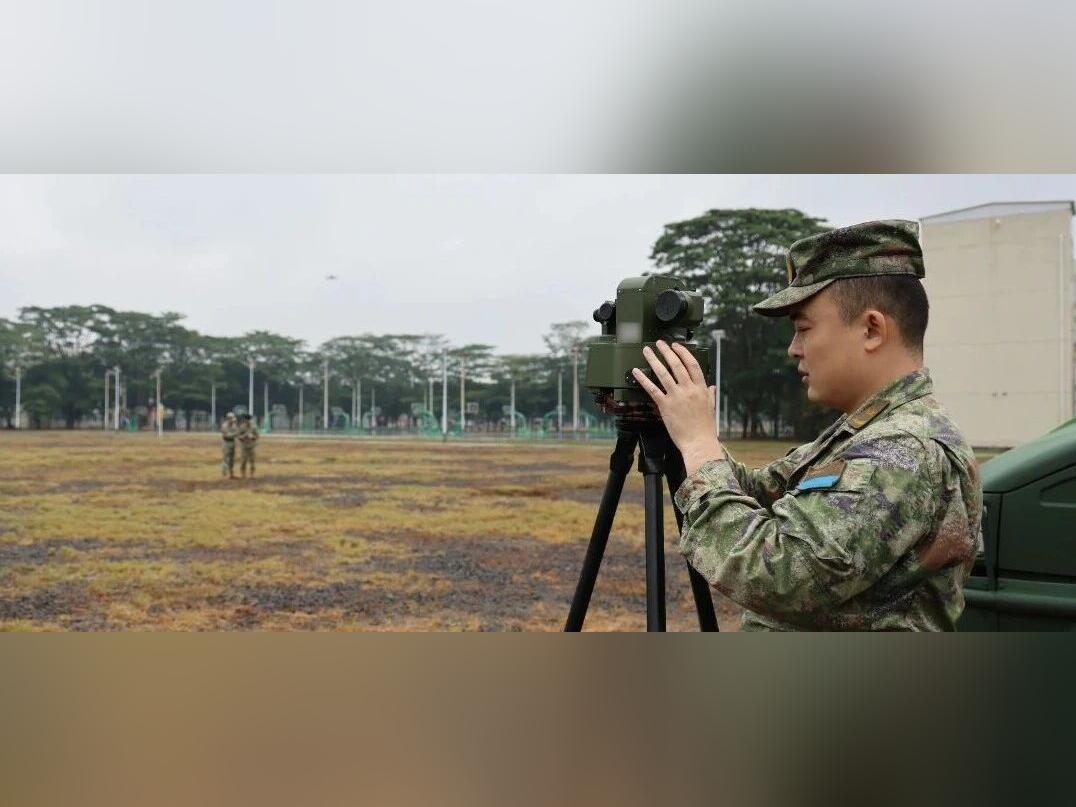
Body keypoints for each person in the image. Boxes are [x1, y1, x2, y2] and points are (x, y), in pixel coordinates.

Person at [632, 219, 982, 631]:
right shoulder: (865, 434)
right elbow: (760, 490)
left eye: (803, 329)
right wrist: (685, 434)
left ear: (872, 329)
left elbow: (778, 574)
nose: (793, 349)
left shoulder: (902, 448)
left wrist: (698, 444)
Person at [237, 413, 260, 479]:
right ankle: (243, 474)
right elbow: (238, 436)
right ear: (244, 420)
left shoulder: (254, 427)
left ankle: (252, 474)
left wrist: (253, 437)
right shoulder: (242, 427)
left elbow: (258, 436)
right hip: (244, 446)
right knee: (243, 461)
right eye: (246, 420)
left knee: (252, 461)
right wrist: (243, 436)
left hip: (251, 446)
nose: (247, 421)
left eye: (249, 419)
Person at [220, 412, 239, 479]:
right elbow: (227, 435)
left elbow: (237, 432)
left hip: (232, 443)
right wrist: (235, 434)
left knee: (232, 459)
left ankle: (231, 474)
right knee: (226, 459)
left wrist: (235, 433)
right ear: (228, 419)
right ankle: (224, 473)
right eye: (231, 419)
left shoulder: (234, 425)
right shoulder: (224, 426)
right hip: (226, 443)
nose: (233, 421)